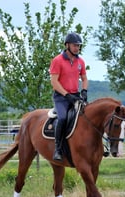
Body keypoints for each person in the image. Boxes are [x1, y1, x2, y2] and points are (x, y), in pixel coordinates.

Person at [49, 32, 88, 161]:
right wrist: (66, 95)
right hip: (61, 97)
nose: (77, 48)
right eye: (75, 45)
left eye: (78, 46)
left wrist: (84, 91)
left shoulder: (80, 61)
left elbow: (84, 78)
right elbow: (54, 82)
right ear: (67, 45)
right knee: (63, 118)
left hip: (76, 95)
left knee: (88, 116)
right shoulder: (57, 60)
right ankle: (58, 149)